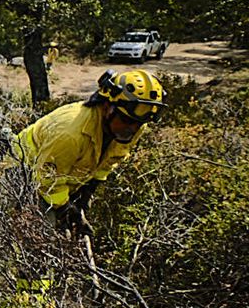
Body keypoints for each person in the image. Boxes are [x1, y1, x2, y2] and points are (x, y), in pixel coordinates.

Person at [11, 68, 166, 237]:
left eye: (138, 123)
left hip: (58, 171)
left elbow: (109, 160)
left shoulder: (133, 128)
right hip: (24, 167)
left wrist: (87, 192)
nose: (132, 128)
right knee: (42, 233)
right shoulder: (70, 133)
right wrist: (67, 210)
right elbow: (46, 179)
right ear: (107, 106)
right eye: (126, 121)